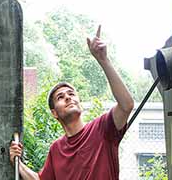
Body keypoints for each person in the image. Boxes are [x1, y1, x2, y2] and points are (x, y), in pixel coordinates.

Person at [9, 26, 134, 180]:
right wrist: (18, 163)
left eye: (71, 94)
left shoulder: (102, 128)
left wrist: (103, 60)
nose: (68, 97)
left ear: (79, 103)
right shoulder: (56, 149)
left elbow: (126, 105)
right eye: (60, 97)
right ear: (54, 113)